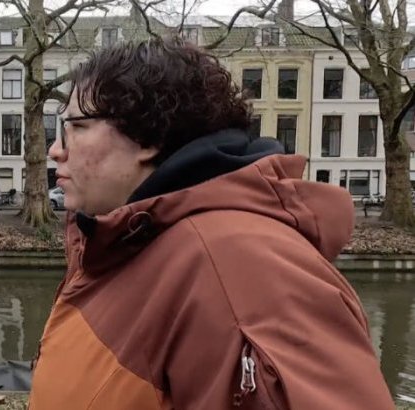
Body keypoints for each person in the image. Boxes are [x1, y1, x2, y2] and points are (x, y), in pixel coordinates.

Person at [29, 36, 393, 409]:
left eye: (76, 127)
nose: (56, 150)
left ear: (147, 135)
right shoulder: (129, 243)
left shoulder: (244, 267)